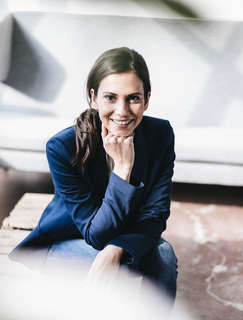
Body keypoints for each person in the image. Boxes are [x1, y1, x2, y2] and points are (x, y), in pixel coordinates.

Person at [10, 47, 178, 302]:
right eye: (110, 97)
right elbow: (95, 233)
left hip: (118, 237)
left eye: (133, 98)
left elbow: (155, 214)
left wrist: (117, 248)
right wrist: (122, 170)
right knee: (123, 268)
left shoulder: (161, 134)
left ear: (147, 99)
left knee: (164, 256)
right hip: (68, 241)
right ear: (93, 98)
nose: (122, 111)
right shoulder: (62, 148)